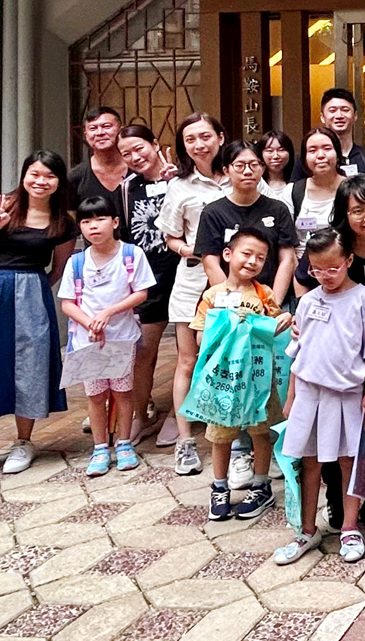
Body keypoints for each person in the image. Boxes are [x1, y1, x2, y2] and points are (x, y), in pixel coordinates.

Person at [292, 176, 365, 529]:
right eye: (358, 210)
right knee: (330, 431)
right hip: (336, 349)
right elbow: (304, 282)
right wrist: (304, 319)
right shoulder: (334, 246)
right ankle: (334, 499)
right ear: (344, 213)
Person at [0, 151, 76, 481]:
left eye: (49, 176)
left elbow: (60, 267)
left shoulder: (62, 221)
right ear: (24, 175)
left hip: (31, 293)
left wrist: (36, 287)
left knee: (31, 364)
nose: (41, 182)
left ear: (58, 182)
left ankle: (24, 442)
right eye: (35, 174)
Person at [273, 228, 365, 566]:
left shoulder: (363, 298)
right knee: (309, 462)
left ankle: (350, 527)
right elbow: (297, 351)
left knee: (350, 460)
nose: (325, 276)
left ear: (348, 260)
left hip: (347, 393)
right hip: (309, 393)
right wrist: (291, 396)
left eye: (333, 268)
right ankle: (307, 530)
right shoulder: (307, 301)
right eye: (317, 269)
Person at [188, 228, 292, 520]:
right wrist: (226, 327)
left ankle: (261, 485)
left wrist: (281, 320)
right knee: (221, 436)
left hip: (259, 378)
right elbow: (199, 339)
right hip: (223, 380)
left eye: (260, 257)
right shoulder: (212, 295)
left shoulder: (263, 293)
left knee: (261, 432)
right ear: (228, 255)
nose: (253, 261)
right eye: (247, 254)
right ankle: (219, 487)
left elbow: (274, 327)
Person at [59, 197, 157, 475]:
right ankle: (100, 447)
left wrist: (108, 313)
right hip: (87, 341)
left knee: (123, 392)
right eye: (86, 221)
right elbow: (67, 303)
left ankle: (124, 443)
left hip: (122, 338)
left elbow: (141, 292)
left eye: (100, 219)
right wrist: (90, 322)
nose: (93, 226)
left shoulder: (131, 255)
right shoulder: (76, 262)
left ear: (114, 222)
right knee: (95, 395)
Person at [155, 112, 228, 475]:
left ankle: (237, 438)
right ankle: (185, 440)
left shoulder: (241, 173)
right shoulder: (179, 186)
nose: (199, 145)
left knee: (233, 358)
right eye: (190, 139)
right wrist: (189, 249)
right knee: (188, 360)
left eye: (205, 136)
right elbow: (170, 236)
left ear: (220, 137)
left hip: (237, 282)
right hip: (192, 281)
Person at [116, 125, 183, 446]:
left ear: (155, 144)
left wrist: (174, 182)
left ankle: (177, 415)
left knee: (189, 351)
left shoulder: (180, 177)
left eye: (139, 148)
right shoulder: (127, 188)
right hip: (148, 279)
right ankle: (140, 417)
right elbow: (126, 236)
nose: (134, 157)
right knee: (143, 351)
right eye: (126, 153)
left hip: (184, 274)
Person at [193, 142, 298, 305]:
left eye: (254, 165)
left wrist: (271, 304)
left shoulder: (278, 209)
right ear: (227, 170)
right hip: (225, 303)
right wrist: (233, 304)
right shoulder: (212, 212)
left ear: (262, 168)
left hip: (269, 298)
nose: (248, 171)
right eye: (240, 166)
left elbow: (287, 260)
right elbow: (211, 263)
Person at [295, 89, 365, 181]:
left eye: (345, 110)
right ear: (322, 117)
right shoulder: (307, 160)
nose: (339, 116)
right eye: (332, 110)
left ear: (355, 115)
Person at [291, 128, 348, 257]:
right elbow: (287, 244)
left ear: (338, 153)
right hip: (304, 268)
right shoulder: (292, 192)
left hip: (345, 266)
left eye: (327, 148)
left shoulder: (354, 189)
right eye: (312, 150)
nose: (320, 155)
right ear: (305, 158)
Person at [69, 107, 129, 226]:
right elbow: (71, 221)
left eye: (107, 126)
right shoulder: (76, 177)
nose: (100, 132)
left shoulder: (139, 170)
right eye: (93, 128)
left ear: (120, 130)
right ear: (86, 135)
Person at [258, 130, 296, 212]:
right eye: (269, 151)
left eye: (281, 150)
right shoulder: (256, 184)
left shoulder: (298, 185)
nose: (275, 156)